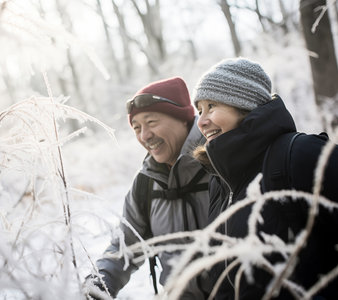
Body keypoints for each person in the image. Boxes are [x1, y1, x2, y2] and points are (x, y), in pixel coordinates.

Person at [192, 57, 338, 299]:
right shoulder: (220, 181)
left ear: (244, 105)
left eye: (211, 107)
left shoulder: (300, 154)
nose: (201, 121)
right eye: (199, 110)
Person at [85, 77, 211, 299]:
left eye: (152, 122)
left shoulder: (220, 164)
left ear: (183, 119)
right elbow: (124, 248)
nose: (144, 136)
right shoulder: (145, 183)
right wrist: (97, 285)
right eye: (137, 128)